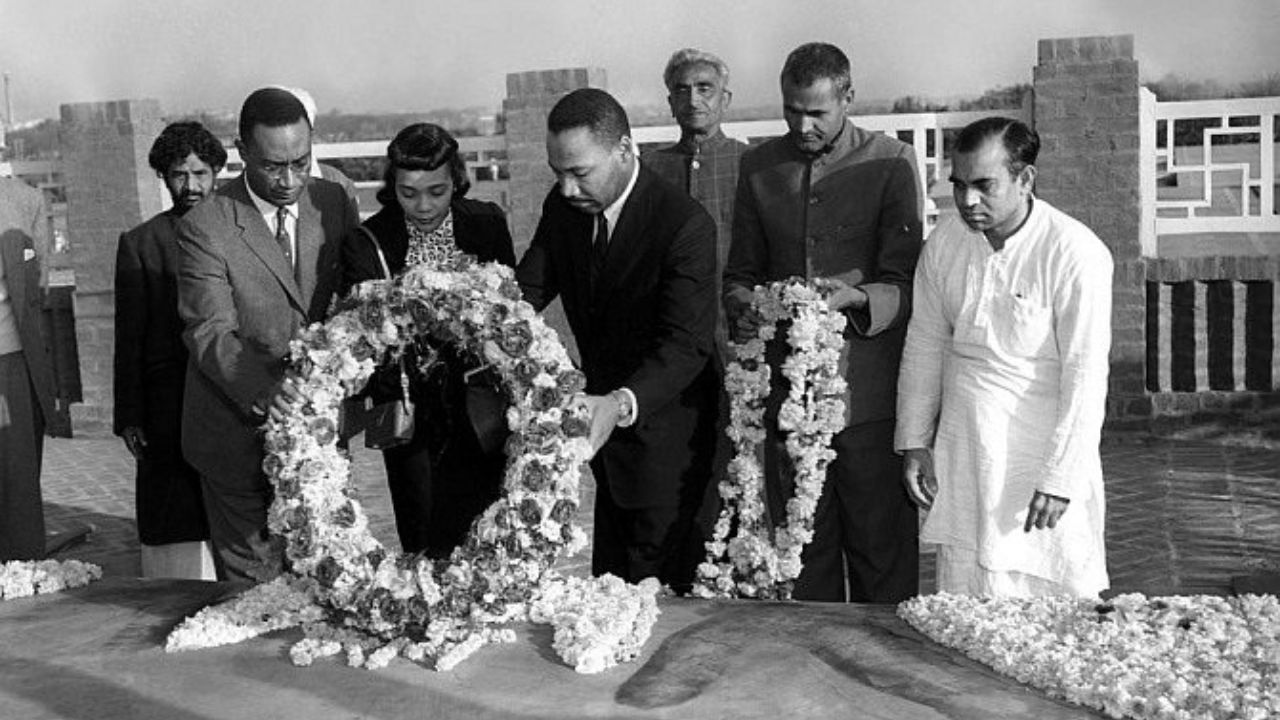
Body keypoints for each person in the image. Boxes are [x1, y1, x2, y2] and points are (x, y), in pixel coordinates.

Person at [724, 42, 923, 603]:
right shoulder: (760, 167)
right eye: (792, 110)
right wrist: (745, 307)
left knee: (881, 555)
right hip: (789, 397)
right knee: (803, 551)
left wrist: (857, 298)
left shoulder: (890, 161)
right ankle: (812, 678)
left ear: (848, 97)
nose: (803, 125)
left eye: (817, 112)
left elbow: (907, 283)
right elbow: (739, 273)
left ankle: (884, 677)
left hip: (868, 395)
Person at [895, 117, 1113, 598]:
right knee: (967, 603)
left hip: (1037, 457)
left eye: (983, 185)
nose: (967, 201)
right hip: (965, 450)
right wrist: (914, 440)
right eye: (958, 185)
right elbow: (925, 343)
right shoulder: (945, 244)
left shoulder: (1074, 252)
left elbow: (1086, 373)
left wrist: (1060, 476)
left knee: (1052, 604)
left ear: (1025, 178)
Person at [516, 88, 719, 593]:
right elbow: (526, 293)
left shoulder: (684, 225)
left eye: (580, 173)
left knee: (664, 594)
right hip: (604, 447)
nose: (565, 189)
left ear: (625, 150)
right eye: (557, 172)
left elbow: (685, 346)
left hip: (672, 444)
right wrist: (492, 330)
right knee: (609, 586)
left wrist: (619, 402)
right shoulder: (564, 208)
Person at [177, 87, 358, 583]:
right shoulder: (205, 226)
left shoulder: (334, 200)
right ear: (240, 152)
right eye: (272, 167)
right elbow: (208, 329)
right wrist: (265, 389)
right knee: (255, 596)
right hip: (236, 438)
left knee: (328, 581)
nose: (288, 180)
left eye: (301, 162)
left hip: (320, 438)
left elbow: (355, 299)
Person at [338, 123, 515, 558]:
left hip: (480, 405)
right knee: (423, 534)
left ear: (455, 179)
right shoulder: (367, 242)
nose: (422, 206)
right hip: (408, 411)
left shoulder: (486, 223)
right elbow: (365, 334)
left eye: (436, 191)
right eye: (408, 192)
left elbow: (511, 307)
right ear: (391, 186)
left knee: (488, 527)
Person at [114, 122, 225, 579]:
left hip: (229, 393)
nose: (192, 185)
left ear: (217, 172)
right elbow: (129, 335)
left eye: (201, 173)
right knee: (173, 508)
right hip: (167, 402)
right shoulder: (142, 243)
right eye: (180, 174)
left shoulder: (239, 232)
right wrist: (130, 414)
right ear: (164, 177)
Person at [643, 48, 748, 356]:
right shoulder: (649, 170)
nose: (693, 100)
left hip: (737, 326)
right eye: (682, 90)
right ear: (671, 104)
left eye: (705, 89)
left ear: (725, 99)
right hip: (671, 328)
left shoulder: (750, 163)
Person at [0, 175, 56, 561]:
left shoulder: (26, 200)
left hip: (11, 357)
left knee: (17, 482)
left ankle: (21, 578)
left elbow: (40, 289)